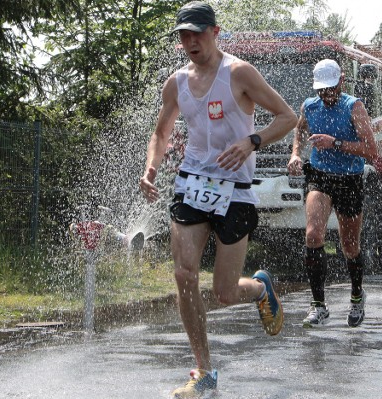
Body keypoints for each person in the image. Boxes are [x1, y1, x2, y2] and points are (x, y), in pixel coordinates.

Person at [139, 2, 297, 397]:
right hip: (191, 183)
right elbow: (160, 133)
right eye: (183, 35)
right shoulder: (175, 82)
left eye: (197, 33)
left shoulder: (238, 73)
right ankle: (204, 372)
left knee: (224, 293)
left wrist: (251, 141)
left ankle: (260, 289)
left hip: (236, 191)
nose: (190, 41)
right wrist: (152, 169)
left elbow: (287, 116)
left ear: (215, 31)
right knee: (184, 273)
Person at [287, 59, 379, 328]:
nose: (326, 95)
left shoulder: (354, 107)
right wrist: (295, 154)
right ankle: (318, 305)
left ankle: (357, 295)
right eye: (321, 90)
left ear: (340, 82)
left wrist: (335, 143)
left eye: (330, 89)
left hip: (350, 178)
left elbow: (371, 150)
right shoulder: (309, 106)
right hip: (320, 175)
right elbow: (300, 130)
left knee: (349, 245)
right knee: (313, 234)